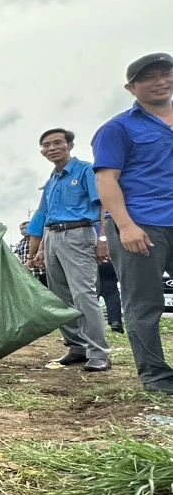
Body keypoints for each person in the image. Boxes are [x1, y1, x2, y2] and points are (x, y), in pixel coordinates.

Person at [92, 52, 173, 396]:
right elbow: (107, 180)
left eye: (165, 73)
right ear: (132, 87)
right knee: (144, 302)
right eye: (149, 77)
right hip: (141, 222)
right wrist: (124, 226)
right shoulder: (118, 128)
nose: (160, 81)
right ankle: (157, 377)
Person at [25, 129, 111, 371]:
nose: (52, 148)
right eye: (46, 145)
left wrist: (103, 238)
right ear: (42, 151)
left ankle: (99, 352)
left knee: (84, 293)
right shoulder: (51, 181)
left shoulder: (85, 170)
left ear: (69, 145)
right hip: (53, 237)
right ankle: (77, 347)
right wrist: (39, 249)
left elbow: (103, 202)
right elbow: (44, 216)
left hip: (79, 234)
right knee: (61, 296)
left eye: (57, 143)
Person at [13, 220, 48, 286]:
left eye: (26, 228)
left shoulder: (40, 240)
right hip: (28, 273)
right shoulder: (21, 243)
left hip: (41, 272)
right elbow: (20, 256)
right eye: (21, 229)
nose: (24, 230)